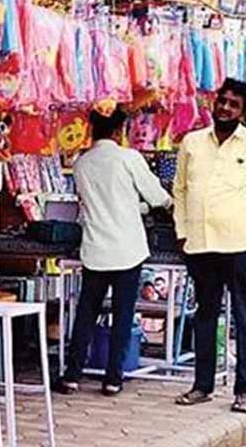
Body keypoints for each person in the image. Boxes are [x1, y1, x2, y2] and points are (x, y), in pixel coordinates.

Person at [56, 103, 171, 397]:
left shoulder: (81, 164)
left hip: (95, 249)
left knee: (86, 313)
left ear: (92, 129)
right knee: (122, 315)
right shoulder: (128, 158)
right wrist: (168, 204)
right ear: (120, 130)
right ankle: (113, 379)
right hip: (127, 250)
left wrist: (136, 204)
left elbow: (98, 201)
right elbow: (156, 197)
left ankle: (72, 375)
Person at [173, 78, 246, 412]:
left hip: (239, 245)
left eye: (234, 104)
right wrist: (181, 231)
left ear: (242, 112)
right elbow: (180, 190)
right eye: (222, 101)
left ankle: (243, 391)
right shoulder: (192, 142)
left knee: (243, 318)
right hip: (200, 243)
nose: (225, 108)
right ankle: (202, 386)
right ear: (214, 103)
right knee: (205, 315)